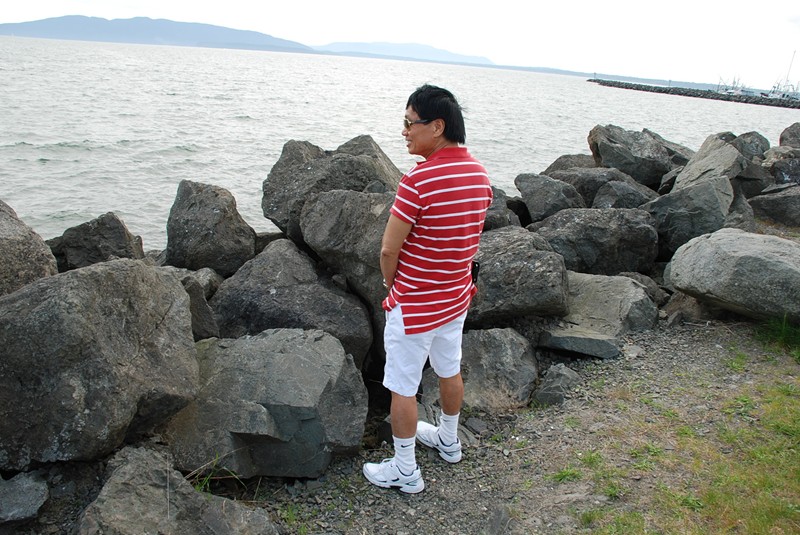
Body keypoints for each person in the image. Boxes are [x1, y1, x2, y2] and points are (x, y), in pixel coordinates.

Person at [362, 84, 493, 493]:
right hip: (456, 298)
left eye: (409, 123)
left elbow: (388, 249)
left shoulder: (418, 181)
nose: (404, 131)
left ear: (436, 127)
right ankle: (449, 441)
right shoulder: (479, 174)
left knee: (402, 386)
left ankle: (405, 470)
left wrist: (391, 287)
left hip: (416, 303)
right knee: (448, 369)